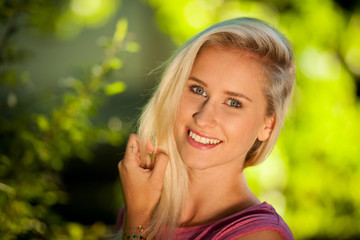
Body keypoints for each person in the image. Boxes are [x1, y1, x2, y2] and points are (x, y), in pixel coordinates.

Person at [117, 17, 295, 240]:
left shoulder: (261, 235)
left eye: (233, 103)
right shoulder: (145, 203)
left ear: (267, 125)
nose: (203, 118)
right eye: (198, 90)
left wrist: (136, 222)